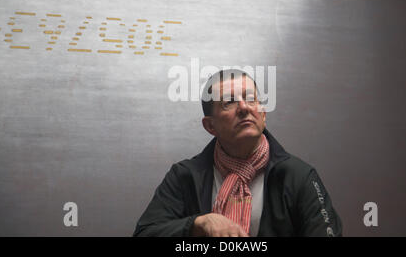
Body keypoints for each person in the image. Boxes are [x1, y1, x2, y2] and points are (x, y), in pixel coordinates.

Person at [133, 69, 342, 237]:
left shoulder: (298, 176)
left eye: (251, 99)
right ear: (210, 126)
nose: (244, 108)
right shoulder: (184, 176)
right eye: (229, 102)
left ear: (263, 114)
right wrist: (197, 224)